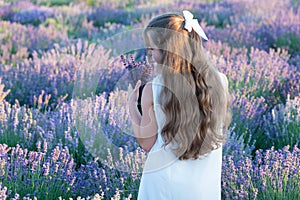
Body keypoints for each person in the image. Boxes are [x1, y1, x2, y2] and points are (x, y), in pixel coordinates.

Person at [127, 10, 231, 200]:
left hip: (162, 187)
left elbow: (147, 143)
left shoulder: (154, 88)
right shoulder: (221, 83)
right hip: (204, 187)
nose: (148, 55)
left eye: (152, 49)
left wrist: (133, 108)